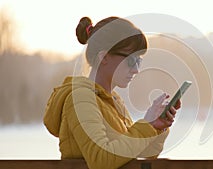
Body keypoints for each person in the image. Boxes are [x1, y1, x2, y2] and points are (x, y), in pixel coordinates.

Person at [43, 16, 180, 169]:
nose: (136, 69)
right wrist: (145, 126)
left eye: (139, 61)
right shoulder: (81, 99)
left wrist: (155, 127)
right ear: (104, 57)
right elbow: (101, 159)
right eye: (131, 60)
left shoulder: (113, 101)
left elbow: (136, 154)